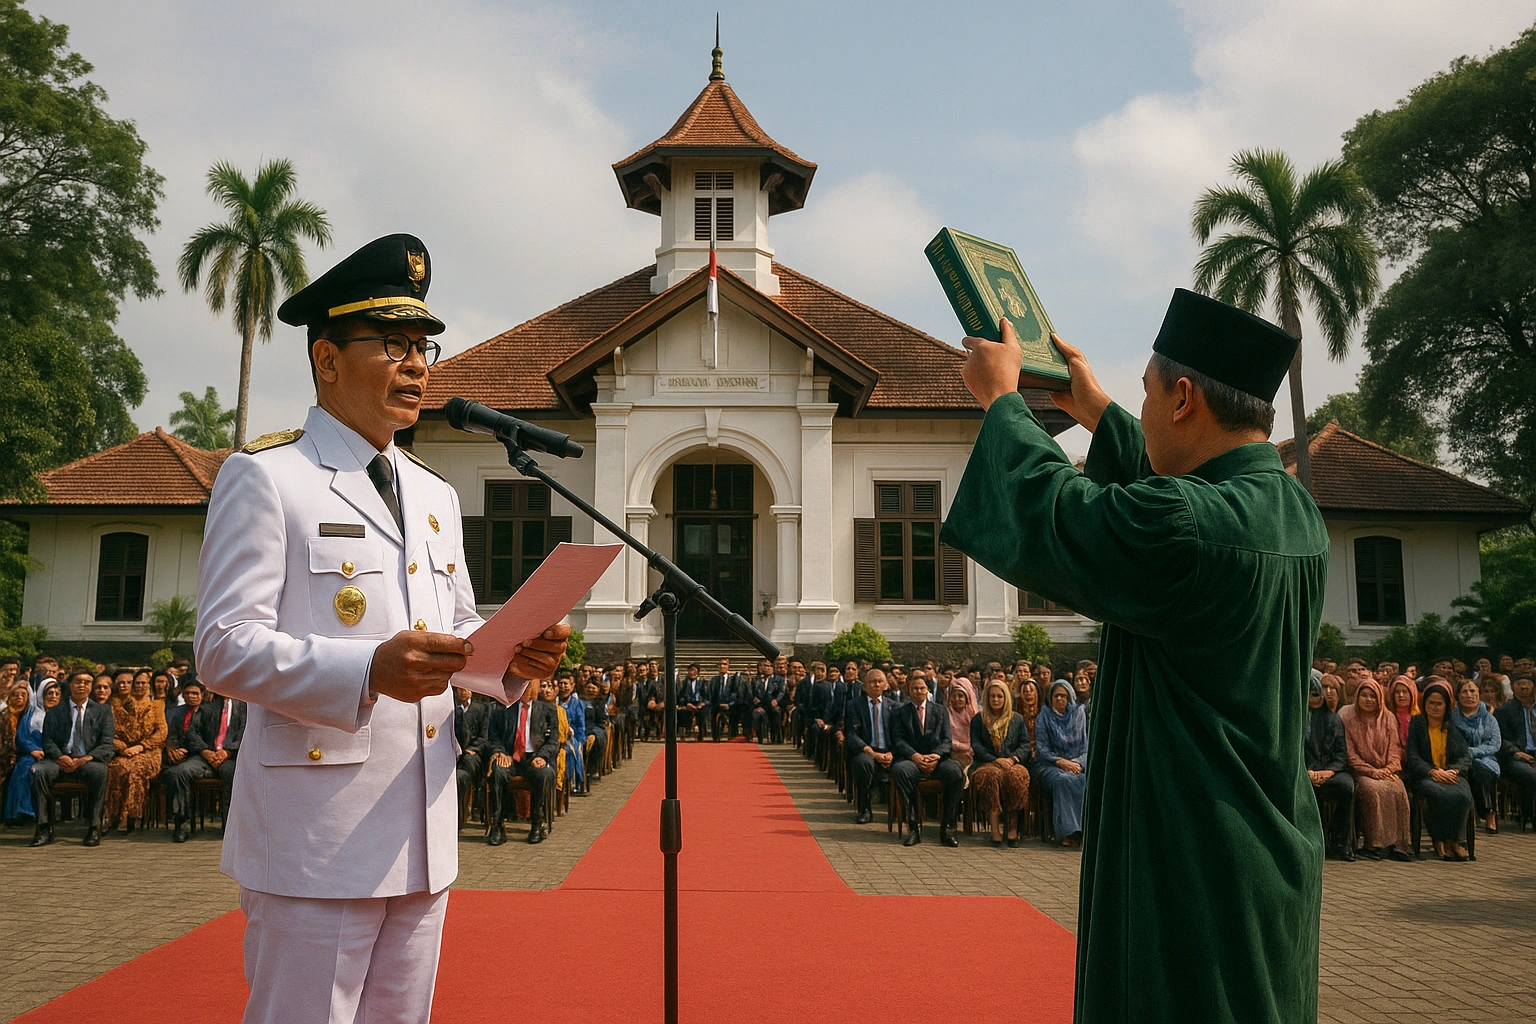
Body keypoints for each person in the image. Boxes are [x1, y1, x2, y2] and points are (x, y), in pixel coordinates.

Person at [193, 234, 570, 1023]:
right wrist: (366, 669)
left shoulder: (434, 494)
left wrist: (514, 656)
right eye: (392, 345)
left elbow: (456, 630)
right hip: (315, 836)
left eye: (424, 345)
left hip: (421, 826)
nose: (418, 365)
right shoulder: (268, 478)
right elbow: (223, 645)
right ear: (326, 358)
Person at [944, 289, 1327, 1022]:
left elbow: (1059, 511)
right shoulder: (1290, 507)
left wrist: (1002, 404)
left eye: (1146, 393)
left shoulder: (1187, 526)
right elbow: (1167, 504)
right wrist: (1094, 409)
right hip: (1267, 843)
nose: (1140, 406)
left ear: (1184, 398)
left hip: (1192, 850)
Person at [31, 671, 115, 847]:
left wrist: (87, 758)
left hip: (87, 760)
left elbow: (107, 743)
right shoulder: (55, 711)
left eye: (87, 682)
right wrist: (61, 756)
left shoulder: (103, 711)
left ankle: (94, 827)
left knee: (100, 772)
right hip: (58, 760)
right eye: (78, 681)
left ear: (91, 686)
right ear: (70, 684)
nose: (82, 685)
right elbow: (48, 741)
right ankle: (44, 827)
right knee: (39, 771)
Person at [1340, 679, 1413, 862]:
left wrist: (1389, 768)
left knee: (1398, 789)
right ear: (1357, 696)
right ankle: (1375, 844)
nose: (1369, 699)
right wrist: (1371, 771)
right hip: (1360, 771)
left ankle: (1398, 845)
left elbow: (1395, 749)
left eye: (1373, 695)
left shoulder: (1387, 717)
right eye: (1364, 695)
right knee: (1374, 790)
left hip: (1386, 770)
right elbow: (1349, 753)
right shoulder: (1347, 715)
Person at [891, 675, 964, 848]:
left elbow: (947, 741)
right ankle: (914, 827)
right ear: (909, 690)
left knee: (955, 772)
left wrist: (936, 756)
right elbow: (898, 741)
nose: (918, 691)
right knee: (901, 771)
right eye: (914, 688)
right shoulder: (899, 713)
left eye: (922, 688)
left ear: (928, 690)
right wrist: (915, 756)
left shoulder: (940, 711)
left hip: (937, 759)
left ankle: (947, 827)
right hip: (912, 760)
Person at [1405, 681, 1474, 861]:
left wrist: (1453, 771)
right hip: (1426, 776)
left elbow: (1465, 756)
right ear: (1424, 704)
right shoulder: (1417, 724)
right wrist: (1433, 772)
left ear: (1447, 706)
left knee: (1463, 796)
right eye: (1431, 703)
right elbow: (1412, 756)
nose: (1435, 707)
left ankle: (1456, 841)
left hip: (1451, 774)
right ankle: (1439, 839)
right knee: (1440, 795)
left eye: (1439, 704)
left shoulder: (1452, 726)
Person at [486, 682, 559, 846]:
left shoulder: (548, 710)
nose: (525, 691)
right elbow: (493, 737)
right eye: (522, 687)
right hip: (511, 758)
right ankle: (497, 825)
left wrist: (542, 756)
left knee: (543, 774)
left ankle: (537, 823)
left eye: (528, 687)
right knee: (498, 772)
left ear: (534, 689)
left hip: (534, 757)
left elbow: (553, 741)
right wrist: (500, 753)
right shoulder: (502, 710)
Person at [103, 671, 166, 833]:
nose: (139, 686)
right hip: (125, 751)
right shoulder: (117, 706)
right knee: (117, 767)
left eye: (143, 683)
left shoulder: (156, 705)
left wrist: (142, 746)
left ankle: (129, 815)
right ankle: (112, 815)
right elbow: (110, 732)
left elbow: (161, 732)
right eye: (136, 683)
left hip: (149, 751)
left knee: (135, 769)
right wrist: (121, 747)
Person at [971, 678, 1031, 847]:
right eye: (992, 697)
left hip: (1012, 762)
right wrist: (995, 759)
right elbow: (976, 745)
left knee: (1017, 777)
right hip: (986, 762)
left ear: (1006, 698)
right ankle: (994, 827)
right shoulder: (978, 719)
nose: (996, 700)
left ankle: (1012, 827)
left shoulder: (1016, 719)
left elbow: (1025, 744)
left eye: (999, 696)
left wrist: (1012, 759)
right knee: (991, 776)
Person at [1304, 678, 1354, 861]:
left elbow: (1341, 755)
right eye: (1312, 693)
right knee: (1304, 788)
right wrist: (1307, 771)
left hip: (1330, 772)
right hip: (1304, 773)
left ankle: (1340, 843)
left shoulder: (1333, 719)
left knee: (1346, 786)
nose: (1315, 696)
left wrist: (1328, 772)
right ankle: (1313, 842)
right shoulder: (1297, 718)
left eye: (1318, 693)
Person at [1034, 680, 1088, 847]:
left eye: (1063, 696)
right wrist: (1061, 762)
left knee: (1082, 780)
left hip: (1076, 765)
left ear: (1069, 697)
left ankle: (1082, 831)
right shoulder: (1043, 717)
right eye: (1056, 696)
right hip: (1049, 765)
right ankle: (1068, 832)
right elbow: (1042, 749)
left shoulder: (1079, 715)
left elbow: (1086, 746)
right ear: (1050, 698)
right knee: (1063, 780)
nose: (1060, 699)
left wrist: (1077, 763)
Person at [843, 669, 895, 824]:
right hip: (866, 750)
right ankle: (865, 808)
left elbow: (901, 735)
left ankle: (902, 809)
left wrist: (892, 752)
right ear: (864, 686)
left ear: (886, 685)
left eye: (879, 681)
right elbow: (851, 735)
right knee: (862, 763)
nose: (876, 684)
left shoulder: (896, 707)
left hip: (890, 751)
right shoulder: (854, 705)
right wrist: (872, 753)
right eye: (872, 681)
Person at [1452, 678, 1501, 835]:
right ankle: (1482, 812)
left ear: (1478, 694)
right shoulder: (1452, 717)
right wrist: (1465, 755)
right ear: (1458, 695)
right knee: (1471, 770)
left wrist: (1473, 752)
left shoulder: (1489, 718)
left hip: (1485, 759)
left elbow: (1495, 744)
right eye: (1464, 691)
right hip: (1458, 760)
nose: (1469, 695)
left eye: (1473, 691)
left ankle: (1488, 813)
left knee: (1480, 771)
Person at [4, 680, 53, 824]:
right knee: (25, 768)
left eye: (56, 694)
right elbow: (22, 736)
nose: (52, 697)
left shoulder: (62, 713)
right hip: (31, 753)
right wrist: (33, 750)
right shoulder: (31, 713)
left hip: (53, 755)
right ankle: (20, 812)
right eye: (48, 694)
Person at [162, 679, 204, 838]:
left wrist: (187, 750)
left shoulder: (208, 713)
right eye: (187, 693)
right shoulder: (176, 713)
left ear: (202, 695)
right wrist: (171, 749)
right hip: (177, 756)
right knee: (170, 771)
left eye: (195, 693)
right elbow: (171, 736)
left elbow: (207, 739)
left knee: (179, 773)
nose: (191, 696)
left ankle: (181, 821)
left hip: (199, 757)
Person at [1493, 673, 1536, 823]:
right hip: (1516, 757)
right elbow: (1500, 739)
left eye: (1527, 683)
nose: (1524, 687)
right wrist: (1516, 752)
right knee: (1531, 775)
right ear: (1512, 687)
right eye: (1519, 684)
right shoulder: (1504, 711)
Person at [452, 686, 490, 812]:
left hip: (473, 753)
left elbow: (484, 736)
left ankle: (468, 804)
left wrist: (473, 749)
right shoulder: (452, 709)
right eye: (460, 689)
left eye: (466, 689)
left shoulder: (481, 709)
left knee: (468, 762)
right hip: (455, 752)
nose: (463, 692)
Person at [558, 674, 586, 791]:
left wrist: (579, 740)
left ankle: (571, 782)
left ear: (572, 685)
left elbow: (581, 725)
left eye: (566, 684)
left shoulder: (576, 703)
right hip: (557, 735)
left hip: (572, 737)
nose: (563, 687)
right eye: (561, 684)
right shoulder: (555, 701)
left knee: (569, 751)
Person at [946, 676, 977, 770]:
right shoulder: (945, 714)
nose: (957, 699)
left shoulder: (973, 714)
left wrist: (971, 748)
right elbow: (946, 737)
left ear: (967, 697)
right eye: (954, 696)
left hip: (973, 752)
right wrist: (961, 747)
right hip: (952, 753)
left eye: (960, 696)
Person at [753, 658, 785, 744]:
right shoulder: (757, 680)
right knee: (757, 713)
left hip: (773, 704)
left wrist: (776, 700)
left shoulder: (779, 679)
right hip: (761, 705)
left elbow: (782, 692)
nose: (767, 668)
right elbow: (752, 692)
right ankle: (760, 737)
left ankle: (775, 736)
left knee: (776, 711)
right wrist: (755, 699)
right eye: (766, 666)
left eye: (770, 666)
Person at [1387, 676, 1418, 750]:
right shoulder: (1387, 717)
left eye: (1404, 692)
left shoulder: (1419, 717)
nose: (1401, 695)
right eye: (1397, 692)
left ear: (1412, 694)